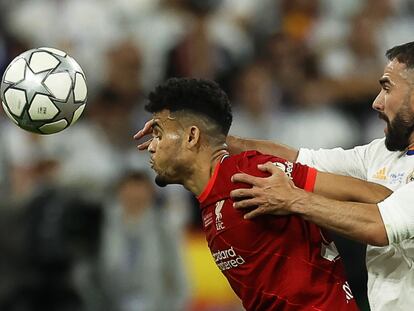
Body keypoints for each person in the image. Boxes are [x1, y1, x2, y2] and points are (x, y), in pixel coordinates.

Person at [134, 77, 392, 310]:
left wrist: (297, 200)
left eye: (158, 134)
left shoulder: (251, 173)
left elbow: (377, 196)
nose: (151, 146)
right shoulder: (210, 202)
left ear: (191, 136)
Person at [223, 41, 414, 311]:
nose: (376, 102)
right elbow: (300, 159)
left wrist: (293, 200)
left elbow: (380, 226)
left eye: (387, 88)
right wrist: (212, 141)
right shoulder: (378, 154)